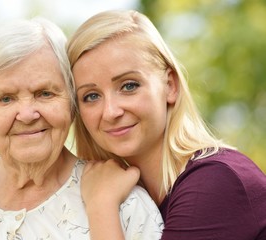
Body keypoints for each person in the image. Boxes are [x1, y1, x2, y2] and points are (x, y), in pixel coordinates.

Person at [0, 17, 164, 239]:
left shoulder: (126, 205)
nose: (26, 114)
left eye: (44, 93)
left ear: (72, 104)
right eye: (6, 99)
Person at [66, 9, 266, 240]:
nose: (111, 112)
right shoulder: (135, 196)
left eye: (129, 86)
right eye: (91, 96)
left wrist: (101, 206)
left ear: (170, 85)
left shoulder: (215, 182)